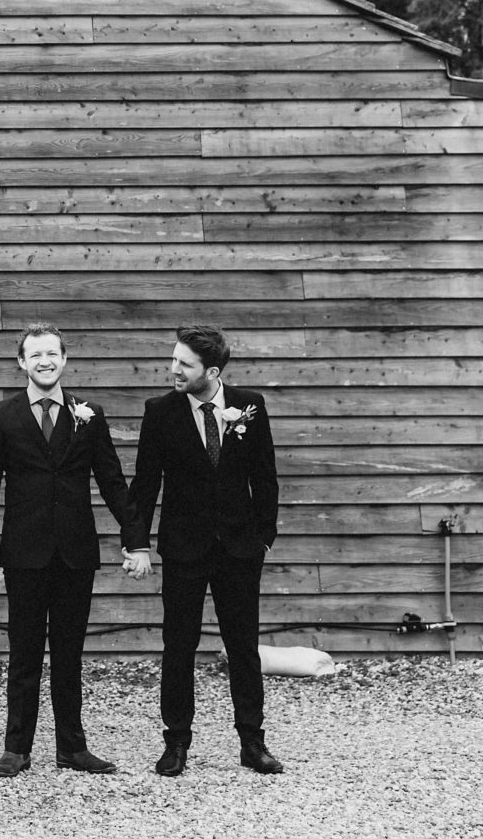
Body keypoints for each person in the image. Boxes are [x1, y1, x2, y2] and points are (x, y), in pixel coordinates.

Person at [0, 323, 143, 778]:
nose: (45, 361)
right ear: (21, 363)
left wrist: (136, 540)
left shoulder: (89, 414)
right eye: (35, 354)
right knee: (24, 652)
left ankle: (73, 748)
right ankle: (16, 748)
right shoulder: (1, 415)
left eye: (52, 354)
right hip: (25, 554)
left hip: (75, 553)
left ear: (64, 359)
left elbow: (112, 482)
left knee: (70, 654)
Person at [124, 323, 283, 776]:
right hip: (184, 548)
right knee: (179, 645)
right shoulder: (160, 412)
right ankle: (176, 743)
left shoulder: (250, 406)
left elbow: (265, 477)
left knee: (243, 646)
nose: (173, 369)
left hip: (239, 548)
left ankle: (252, 743)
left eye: (184, 364)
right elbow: (145, 485)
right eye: (173, 359)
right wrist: (136, 542)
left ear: (211, 371)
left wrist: (263, 538)